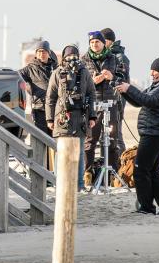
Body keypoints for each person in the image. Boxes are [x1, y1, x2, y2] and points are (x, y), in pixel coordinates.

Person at [115, 58, 159, 215]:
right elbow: (138, 102)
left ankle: (147, 207)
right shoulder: (157, 86)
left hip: (154, 135)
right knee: (153, 172)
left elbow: (149, 101)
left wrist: (130, 88)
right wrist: (124, 91)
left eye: (154, 71)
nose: (152, 74)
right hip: (153, 134)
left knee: (141, 170)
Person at [46, 45, 97, 191]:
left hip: (81, 118)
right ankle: (59, 183)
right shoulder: (57, 73)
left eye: (75, 55)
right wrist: (49, 119)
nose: (72, 58)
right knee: (60, 152)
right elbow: (50, 97)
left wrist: (92, 116)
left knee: (79, 153)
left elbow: (91, 94)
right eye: (69, 55)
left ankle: (79, 185)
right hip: (62, 118)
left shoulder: (85, 72)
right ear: (63, 57)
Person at [82, 31, 121, 171]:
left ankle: (112, 173)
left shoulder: (111, 57)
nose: (94, 45)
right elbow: (86, 80)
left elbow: (110, 74)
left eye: (97, 42)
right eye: (92, 42)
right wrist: (96, 79)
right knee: (90, 140)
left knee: (111, 139)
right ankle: (87, 172)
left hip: (110, 101)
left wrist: (103, 77)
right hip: (93, 103)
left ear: (103, 43)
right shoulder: (84, 59)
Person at [19, 40, 58, 136]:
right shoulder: (30, 69)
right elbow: (17, 78)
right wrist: (28, 88)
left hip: (56, 108)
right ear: (36, 54)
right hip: (39, 108)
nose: (42, 54)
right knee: (41, 137)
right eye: (39, 51)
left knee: (55, 138)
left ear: (49, 53)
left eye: (44, 51)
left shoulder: (56, 68)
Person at [101, 27, 130, 156]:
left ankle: (121, 167)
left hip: (116, 100)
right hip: (106, 99)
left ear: (108, 41)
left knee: (116, 135)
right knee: (106, 135)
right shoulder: (106, 56)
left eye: (102, 40)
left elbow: (122, 81)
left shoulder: (120, 57)